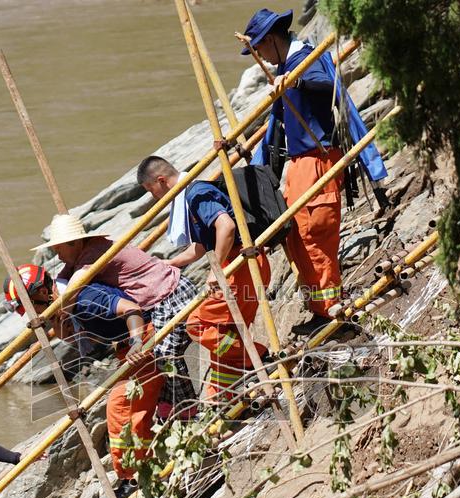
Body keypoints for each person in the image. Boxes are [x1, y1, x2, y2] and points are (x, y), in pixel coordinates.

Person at [240, 8, 389, 335]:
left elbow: (329, 85)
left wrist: (297, 80)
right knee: (295, 236)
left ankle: (332, 313)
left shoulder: (306, 60)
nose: (261, 58)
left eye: (259, 49)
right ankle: (320, 308)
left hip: (317, 159)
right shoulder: (284, 68)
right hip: (299, 164)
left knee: (314, 235)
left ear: (271, 39)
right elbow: (276, 125)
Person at [3, 265, 163, 498]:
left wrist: (137, 342)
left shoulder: (84, 299)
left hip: (145, 341)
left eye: (31, 307)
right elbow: (77, 337)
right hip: (128, 349)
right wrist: (57, 320)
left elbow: (131, 309)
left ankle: (134, 477)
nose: (32, 314)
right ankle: (141, 469)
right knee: (130, 411)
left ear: (43, 292)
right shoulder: (67, 304)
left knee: (121, 408)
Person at [37, 213, 197, 419]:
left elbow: (68, 298)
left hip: (170, 294)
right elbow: (63, 279)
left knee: (165, 354)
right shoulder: (84, 254)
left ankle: (188, 407)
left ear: (74, 243)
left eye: (59, 250)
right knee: (157, 360)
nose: (58, 257)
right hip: (157, 300)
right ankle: (175, 407)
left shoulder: (92, 255)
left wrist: (51, 313)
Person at [138, 156, 270, 401]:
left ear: (161, 180)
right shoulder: (190, 195)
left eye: (150, 189)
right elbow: (199, 247)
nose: (152, 196)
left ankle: (261, 357)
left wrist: (215, 270)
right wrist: (171, 263)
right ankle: (222, 400)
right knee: (223, 334)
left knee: (198, 324)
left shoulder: (195, 194)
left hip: (239, 265)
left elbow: (226, 227)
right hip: (241, 264)